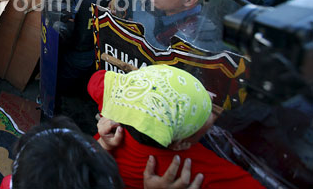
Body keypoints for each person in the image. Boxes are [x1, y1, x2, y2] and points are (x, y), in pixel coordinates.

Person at [88, 64, 264, 189]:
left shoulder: (115, 122)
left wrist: (102, 145)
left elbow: (96, 80)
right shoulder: (193, 170)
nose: (210, 100)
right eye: (204, 112)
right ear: (180, 144)